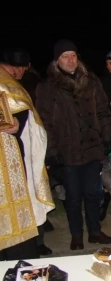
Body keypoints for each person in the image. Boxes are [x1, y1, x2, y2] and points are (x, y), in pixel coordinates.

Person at [35, 39, 111, 250]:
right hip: (67, 151)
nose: (71, 60)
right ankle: (77, 235)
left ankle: (95, 231)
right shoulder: (47, 87)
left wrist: (108, 136)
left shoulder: (90, 80)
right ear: (57, 60)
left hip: (91, 147)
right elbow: (44, 122)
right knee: (72, 197)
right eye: (65, 56)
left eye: (73, 55)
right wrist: (52, 151)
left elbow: (103, 111)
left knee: (93, 192)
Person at [0, 60, 55, 261]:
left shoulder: (16, 84)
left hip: (12, 158)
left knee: (21, 209)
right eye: (14, 66)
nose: (18, 70)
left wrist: (17, 124)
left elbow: (26, 119)